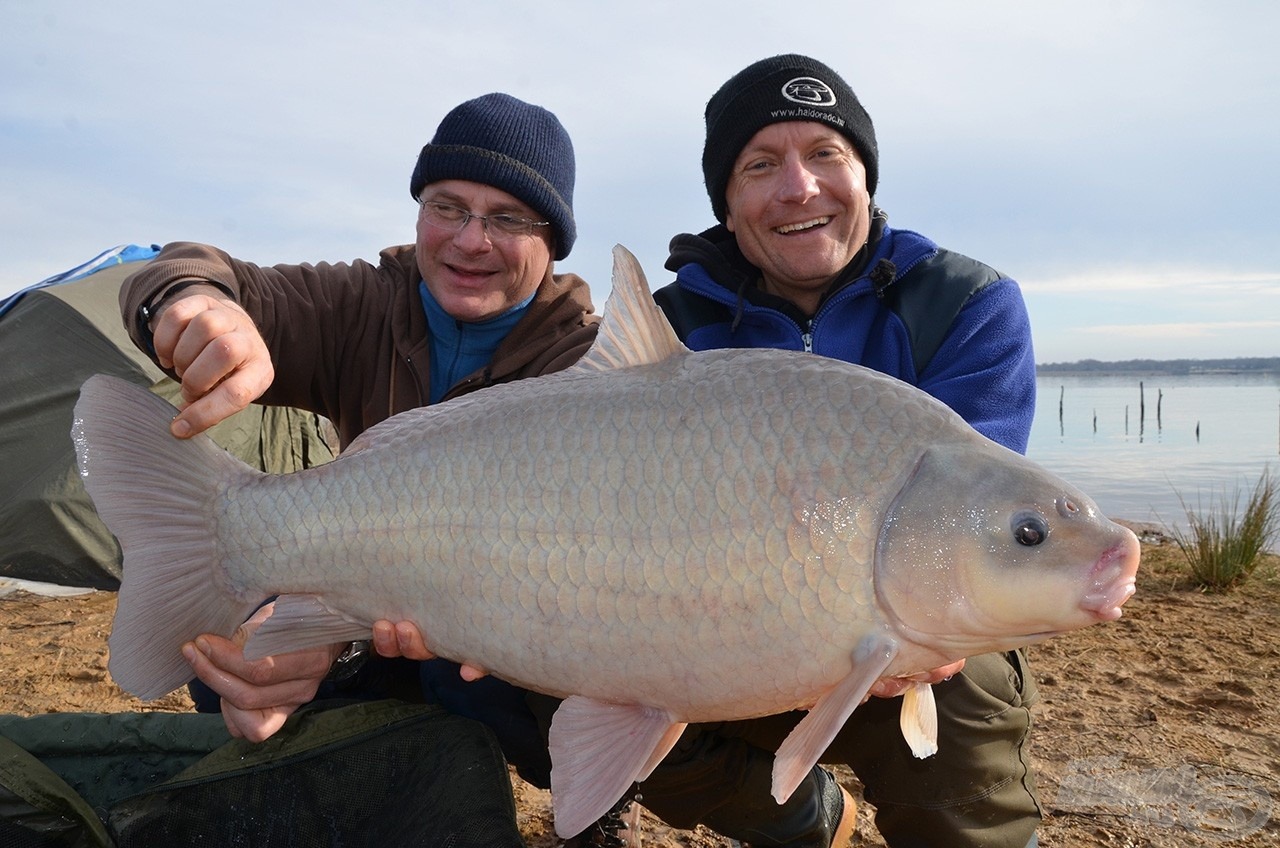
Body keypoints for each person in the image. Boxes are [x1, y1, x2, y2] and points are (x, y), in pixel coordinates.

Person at [117, 92, 597, 788]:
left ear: (553, 240)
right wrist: (193, 302)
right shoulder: (363, 304)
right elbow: (188, 268)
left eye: (508, 218)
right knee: (232, 652)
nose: (470, 239)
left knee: (535, 681)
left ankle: (604, 797)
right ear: (420, 211)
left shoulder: (585, 363)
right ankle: (334, 780)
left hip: (518, 629)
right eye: (447, 206)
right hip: (365, 602)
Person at [627, 54, 1042, 848]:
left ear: (865, 175)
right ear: (727, 200)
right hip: (713, 630)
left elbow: (973, 528)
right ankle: (807, 820)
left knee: (963, 677)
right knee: (541, 679)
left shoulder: (967, 303)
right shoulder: (670, 327)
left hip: (895, 627)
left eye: (825, 155)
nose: (797, 188)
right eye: (760, 166)